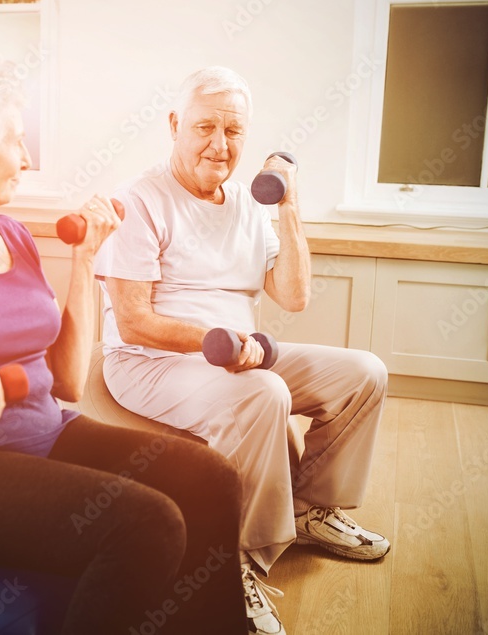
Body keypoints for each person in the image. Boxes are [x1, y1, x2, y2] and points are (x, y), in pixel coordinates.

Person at [0, 46, 249, 634]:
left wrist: (86, 260)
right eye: (15, 140)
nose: (27, 156)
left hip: (42, 433)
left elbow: (64, 381)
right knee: (148, 523)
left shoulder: (11, 235)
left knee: (211, 478)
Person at [94, 65, 390, 635]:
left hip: (242, 353)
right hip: (152, 363)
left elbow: (294, 296)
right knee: (263, 392)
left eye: (233, 131)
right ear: (176, 124)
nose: (219, 144)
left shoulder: (250, 203)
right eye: (204, 127)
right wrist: (222, 347)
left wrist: (289, 205)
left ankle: (310, 512)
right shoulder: (140, 199)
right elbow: (133, 323)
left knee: (364, 373)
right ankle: (237, 565)